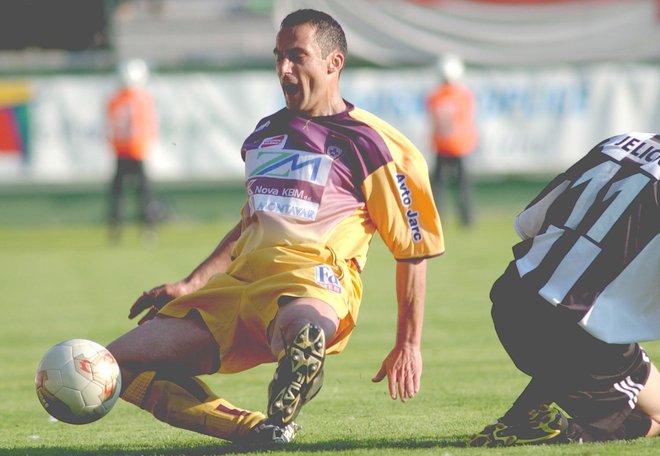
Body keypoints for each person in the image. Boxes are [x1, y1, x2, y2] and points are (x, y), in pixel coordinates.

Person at [106, 9, 444, 446]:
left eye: (297, 56)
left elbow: (411, 250)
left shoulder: (376, 145)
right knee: (111, 363)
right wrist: (192, 282)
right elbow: (252, 219)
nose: (284, 69)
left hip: (310, 282)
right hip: (236, 288)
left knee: (303, 331)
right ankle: (254, 430)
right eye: (278, 56)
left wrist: (408, 344)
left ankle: (299, 368)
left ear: (333, 63)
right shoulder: (264, 133)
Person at [469, 132, 660, 447]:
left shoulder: (620, 142)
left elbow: (529, 224)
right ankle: (553, 431)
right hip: (578, 335)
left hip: (512, 299)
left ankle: (523, 416)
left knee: (591, 341)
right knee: (644, 410)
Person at [106, 58, 159, 243]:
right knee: (143, 193)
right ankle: (148, 229)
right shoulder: (143, 99)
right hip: (137, 150)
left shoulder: (115, 99)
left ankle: (115, 229)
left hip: (121, 150)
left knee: (118, 193)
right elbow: (148, 126)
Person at [425, 54, 478, 227]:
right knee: (462, 185)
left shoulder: (434, 96)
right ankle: (467, 219)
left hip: (442, 144)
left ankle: (436, 218)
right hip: (460, 145)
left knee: (438, 186)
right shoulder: (464, 95)